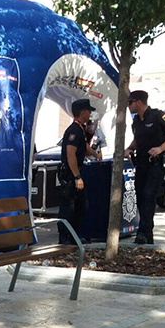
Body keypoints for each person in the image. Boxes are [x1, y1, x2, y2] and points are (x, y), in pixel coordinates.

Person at [124, 90, 165, 244]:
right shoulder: (137, 120)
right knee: (140, 198)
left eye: (129, 102)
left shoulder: (158, 116)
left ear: (138, 102)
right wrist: (129, 148)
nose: (128, 106)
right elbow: (138, 140)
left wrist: (161, 148)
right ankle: (147, 236)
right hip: (141, 164)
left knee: (148, 196)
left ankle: (143, 233)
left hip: (155, 164)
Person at [58, 98, 103, 244]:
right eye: (89, 111)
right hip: (71, 175)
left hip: (76, 173)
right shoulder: (73, 130)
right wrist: (77, 176)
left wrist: (96, 155)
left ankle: (75, 235)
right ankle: (65, 237)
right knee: (69, 206)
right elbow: (71, 154)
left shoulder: (80, 129)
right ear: (83, 112)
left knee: (81, 206)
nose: (90, 114)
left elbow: (84, 146)